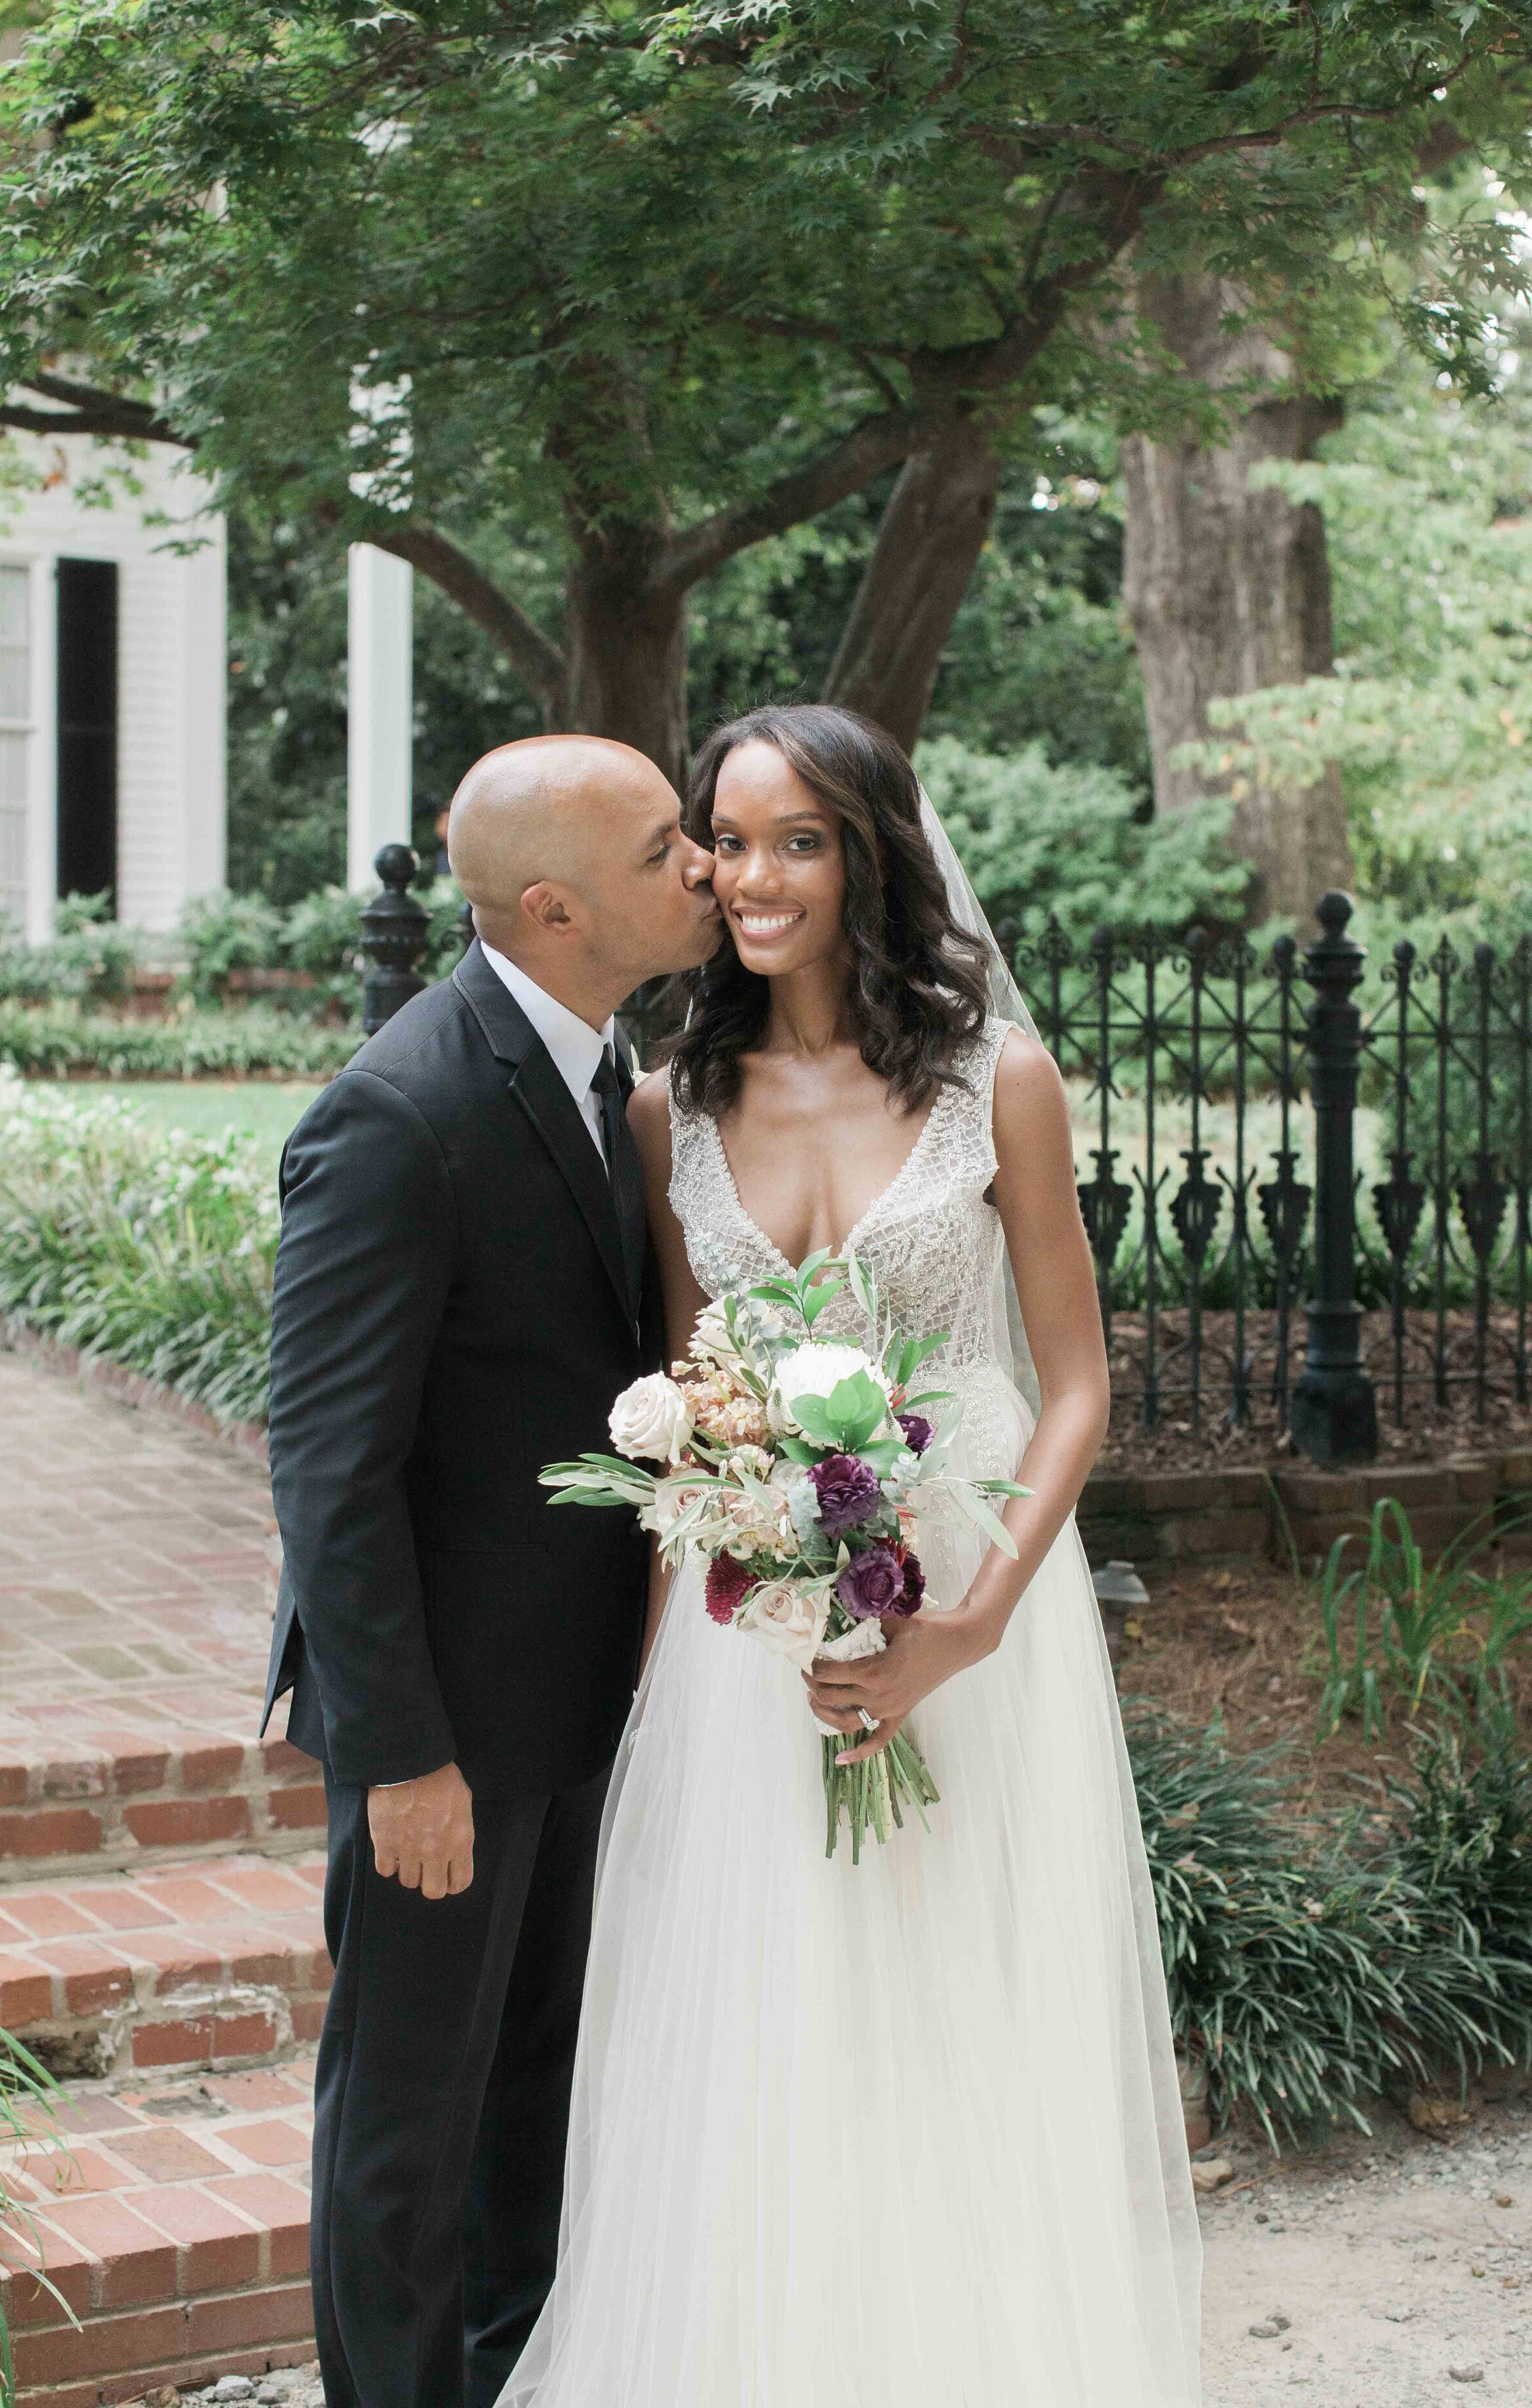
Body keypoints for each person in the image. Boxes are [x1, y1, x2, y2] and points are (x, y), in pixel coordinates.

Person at [499, 705, 1203, 2407]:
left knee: (954, 2024)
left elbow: (1076, 1382)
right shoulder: (674, 1107)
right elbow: (694, 1393)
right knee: (766, 2039)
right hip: (757, 1636)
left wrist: (963, 1624)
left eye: (794, 840)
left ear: (867, 851)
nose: (751, 877)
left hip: (973, 1613)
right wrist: (689, 1637)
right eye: (725, 841)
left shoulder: (994, 1083)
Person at [262, 734, 721, 2408]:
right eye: (670, 843)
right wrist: (403, 1759)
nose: (705, 864)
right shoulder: (401, 1111)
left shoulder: (604, 1067)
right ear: (552, 907)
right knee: (408, 2119)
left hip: (578, 1700)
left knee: (536, 2092)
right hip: (445, 1734)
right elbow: (329, 1467)